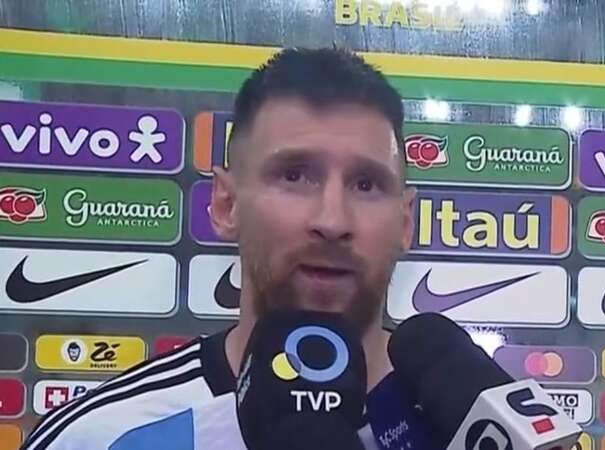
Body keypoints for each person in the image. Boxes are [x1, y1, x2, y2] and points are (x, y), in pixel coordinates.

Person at [20, 46, 416, 450]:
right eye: (295, 175)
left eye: (366, 184)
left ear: (405, 221)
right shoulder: (97, 438)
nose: (332, 221)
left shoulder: (471, 426)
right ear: (227, 205)